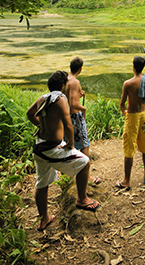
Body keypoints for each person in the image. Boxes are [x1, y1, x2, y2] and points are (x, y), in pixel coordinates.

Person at [27, 70, 100, 231]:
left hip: (39, 148)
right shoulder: (60, 99)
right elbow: (68, 124)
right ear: (62, 86)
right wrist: (71, 145)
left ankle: (44, 219)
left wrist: (40, 125)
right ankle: (82, 199)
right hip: (51, 149)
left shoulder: (43, 98)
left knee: (42, 183)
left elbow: (29, 113)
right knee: (85, 162)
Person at [116, 55, 145, 190]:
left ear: (133, 66)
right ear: (143, 67)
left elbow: (122, 104)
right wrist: (144, 108)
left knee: (129, 146)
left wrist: (125, 113)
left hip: (132, 116)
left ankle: (126, 180)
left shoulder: (128, 83)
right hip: (144, 115)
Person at [64, 56, 101, 185]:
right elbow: (74, 104)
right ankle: (87, 176)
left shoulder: (65, 79)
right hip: (75, 117)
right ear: (80, 69)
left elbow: (68, 98)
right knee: (84, 145)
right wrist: (83, 109)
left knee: (69, 144)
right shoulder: (75, 82)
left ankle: (68, 175)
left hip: (66, 117)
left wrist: (78, 93)